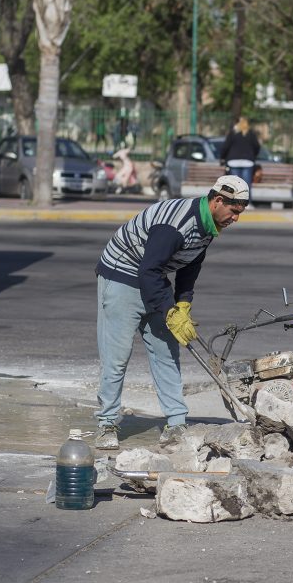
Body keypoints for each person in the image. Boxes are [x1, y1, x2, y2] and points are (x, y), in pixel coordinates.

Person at [93, 174, 250, 449]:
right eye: (233, 211)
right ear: (217, 201)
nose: (236, 218)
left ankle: (176, 423)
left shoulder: (209, 225)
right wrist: (169, 312)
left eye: (240, 212)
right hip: (122, 275)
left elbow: (190, 265)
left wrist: (183, 303)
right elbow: (148, 270)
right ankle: (106, 423)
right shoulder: (175, 225)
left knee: (167, 352)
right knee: (116, 357)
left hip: (152, 276)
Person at [219, 117, 261, 191]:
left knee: (235, 185)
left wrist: (222, 158)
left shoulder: (233, 133)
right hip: (248, 162)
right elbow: (257, 146)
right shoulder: (250, 133)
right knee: (246, 186)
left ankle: (234, 202)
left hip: (233, 162)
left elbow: (225, 147)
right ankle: (246, 202)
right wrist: (253, 156)